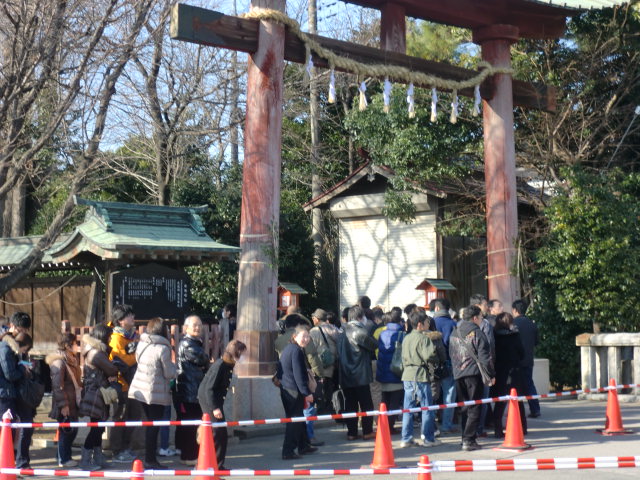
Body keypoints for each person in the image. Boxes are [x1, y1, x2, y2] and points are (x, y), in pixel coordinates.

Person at [128, 318, 177, 469]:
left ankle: (149, 458)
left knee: (149, 423)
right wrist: (176, 369)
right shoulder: (163, 348)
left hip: (140, 389)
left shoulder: (142, 344)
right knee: (154, 426)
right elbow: (169, 373)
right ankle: (150, 460)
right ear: (163, 331)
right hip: (155, 392)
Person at [449, 305, 495, 451]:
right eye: (481, 317)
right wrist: (491, 375)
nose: (482, 320)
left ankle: (464, 437)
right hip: (473, 374)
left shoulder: (455, 332)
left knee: (464, 407)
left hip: (458, 373)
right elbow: (485, 358)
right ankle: (469, 440)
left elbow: (451, 353)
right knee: (475, 407)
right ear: (475, 318)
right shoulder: (477, 333)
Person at [198, 339, 247, 469]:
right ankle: (214, 466)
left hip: (215, 401)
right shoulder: (220, 365)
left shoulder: (228, 364)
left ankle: (216, 465)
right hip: (209, 401)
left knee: (219, 433)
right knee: (218, 433)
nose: (243, 356)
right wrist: (215, 408)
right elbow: (209, 389)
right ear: (235, 352)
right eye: (241, 353)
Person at [79, 324, 118, 470]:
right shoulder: (96, 352)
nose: (110, 339)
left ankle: (97, 457)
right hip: (96, 393)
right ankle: (85, 460)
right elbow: (112, 370)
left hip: (96, 392)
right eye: (109, 336)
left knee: (99, 427)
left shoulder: (94, 350)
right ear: (103, 336)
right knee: (96, 428)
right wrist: (115, 365)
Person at [399, 310, 440, 448]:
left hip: (407, 374)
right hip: (420, 374)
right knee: (426, 407)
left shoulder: (406, 338)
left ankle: (406, 438)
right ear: (420, 324)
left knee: (408, 408)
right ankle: (428, 438)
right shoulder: (424, 338)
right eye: (426, 322)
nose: (428, 324)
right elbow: (430, 356)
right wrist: (435, 359)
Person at [337, 305, 377, 441]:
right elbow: (374, 344)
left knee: (350, 404)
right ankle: (367, 431)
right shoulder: (360, 331)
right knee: (366, 404)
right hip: (360, 374)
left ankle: (352, 433)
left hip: (345, 373)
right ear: (360, 317)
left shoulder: (341, 332)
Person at [278, 325, 317, 460]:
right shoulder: (296, 351)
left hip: (287, 388)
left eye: (308, 336)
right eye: (303, 336)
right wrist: (307, 393)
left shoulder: (289, 349)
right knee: (294, 421)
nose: (306, 339)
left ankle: (303, 445)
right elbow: (299, 375)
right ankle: (288, 451)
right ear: (294, 337)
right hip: (293, 390)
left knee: (298, 419)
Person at [175, 315, 210, 465]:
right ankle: (189, 456)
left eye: (199, 325)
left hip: (193, 389)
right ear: (186, 328)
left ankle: (187, 454)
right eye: (194, 325)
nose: (198, 328)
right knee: (190, 424)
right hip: (189, 390)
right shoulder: (187, 344)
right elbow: (202, 359)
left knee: (191, 423)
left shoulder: (195, 343)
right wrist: (206, 361)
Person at [108, 304, 141, 463]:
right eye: (129, 315)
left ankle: (126, 448)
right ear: (120, 320)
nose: (133, 317)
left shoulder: (131, 336)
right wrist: (137, 353)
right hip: (121, 384)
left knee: (134, 416)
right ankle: (117, 451)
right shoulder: (116, 338)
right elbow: (121, 361)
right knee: (120, 418)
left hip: (132, 384)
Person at [47, 332, 83, 467]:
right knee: (66, 431)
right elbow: (57, 386)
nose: (77, 346)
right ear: (68, 345)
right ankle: (64, 459)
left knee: (71, 430)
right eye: (75, 343)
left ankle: (62, 456)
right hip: (65, 403)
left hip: (72, 401)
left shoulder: (71, 359)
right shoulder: (59, 361)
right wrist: (63, 405)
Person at [492, 312, 527, 438]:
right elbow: (522, 353)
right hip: (514, 371)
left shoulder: (494, 336)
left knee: (500, 402)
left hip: (500, 372)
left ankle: (497, 429)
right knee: (518, 401)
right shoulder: (514, 336)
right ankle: (522, 427)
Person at [470, 294, 495, 438]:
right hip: (482, 367)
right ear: (477, 306)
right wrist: (491, 371)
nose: (487, 307)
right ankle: (479, 428)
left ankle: (469, 430)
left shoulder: (460, 325)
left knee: (470, 400)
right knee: (483, 400)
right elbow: (489, 348)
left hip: (465, 368)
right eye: (485, 305)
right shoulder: (485, 324)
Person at [432, 298, 457, 434]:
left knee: (432, 395)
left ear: (436, 308)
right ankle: (447, 424)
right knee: (449, 394)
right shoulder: (452, 324)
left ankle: (431, 425)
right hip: (449, 362)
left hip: (432, 364)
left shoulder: (431, 322)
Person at [512, 299, 541, 418]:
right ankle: (535, 409)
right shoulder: (531, 323)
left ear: (515, 310)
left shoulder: (513, 324)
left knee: (515, 387)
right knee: (529, 384)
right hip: (528, 359)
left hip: (516, 360)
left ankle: (516, 412)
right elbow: (536, 342)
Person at [375, 310, 404, 433]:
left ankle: (383, 425)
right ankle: (389, 428)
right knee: (394, 403)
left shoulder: (382, 333)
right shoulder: (401, 335)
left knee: (385, 401)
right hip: (396, 373)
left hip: (383, 371)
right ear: (399, 320)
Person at [309, 308, 339, 415]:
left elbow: (310, 349)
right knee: (329, 386)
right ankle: (330, 407)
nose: (312, 320)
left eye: (313, 318)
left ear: (317, 319)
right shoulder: (334, 329)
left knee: (320, 387)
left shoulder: (314, 331)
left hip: (321, 364)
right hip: (332, 362)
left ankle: (322, 409)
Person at [14, 332, 36, 469]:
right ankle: (22, 462)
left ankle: (21, 460)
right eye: (26, 348)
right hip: (21, 395)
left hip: (21, 394)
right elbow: (12, 373)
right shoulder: (13, 354)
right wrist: (24, 367)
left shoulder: (17, 354)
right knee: (25, 428)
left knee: (25, 428)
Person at [0, 327, 24, 416]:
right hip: (5, 393)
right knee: (7, 421)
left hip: (4, 392)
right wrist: (22, 368)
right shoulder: (5, 349)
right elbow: (10, 374)